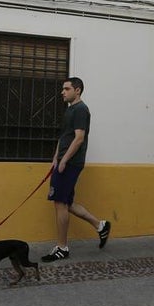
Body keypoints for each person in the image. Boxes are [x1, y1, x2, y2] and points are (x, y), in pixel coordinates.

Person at [41, 77, 110, 262]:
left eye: (66, 88)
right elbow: (65, 136)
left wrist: (64, 160)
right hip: (64, 161)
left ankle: (62, 248)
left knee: (60, 203)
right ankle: (100, 225)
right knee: (67, 203)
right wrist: (56, 157)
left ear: (77, 90)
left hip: (71, 163)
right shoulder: (70, 109)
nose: (62, 92)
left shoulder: (80, 110)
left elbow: (79, 138)